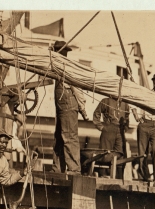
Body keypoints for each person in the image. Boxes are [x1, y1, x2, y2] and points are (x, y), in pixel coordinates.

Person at [51, 40, 88, 175]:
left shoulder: (68, 67)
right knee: (59, 136)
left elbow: (77, 89)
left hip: (68, 104)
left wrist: (82, 108)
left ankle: (73, 169)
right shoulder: (56, 66)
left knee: (68, 136)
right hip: (61, 106)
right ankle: (57, 168)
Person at [136, 72, 155, 188]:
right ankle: (145, 176)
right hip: (144, 124)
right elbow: (135, 101)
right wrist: (136, 115)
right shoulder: (147, 93)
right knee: (142, 152)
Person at [88, 94, 130, 176]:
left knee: (120, 154)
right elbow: (96, 113)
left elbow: (127, 117)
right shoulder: (106, 101)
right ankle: (102, 177)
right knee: (105, 154)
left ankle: (118, 180)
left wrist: (125, 128)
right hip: (108, 129)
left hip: (120, 131)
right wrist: (101, 127)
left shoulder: (125, 104)